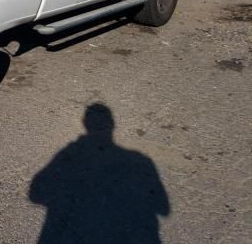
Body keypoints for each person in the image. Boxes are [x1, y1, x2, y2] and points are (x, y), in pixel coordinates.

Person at [29, 103, 170, 243]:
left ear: (85, 123)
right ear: (112, 125)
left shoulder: (73, 152)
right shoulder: (141, 161)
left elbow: (36, 193)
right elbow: (163, 208)